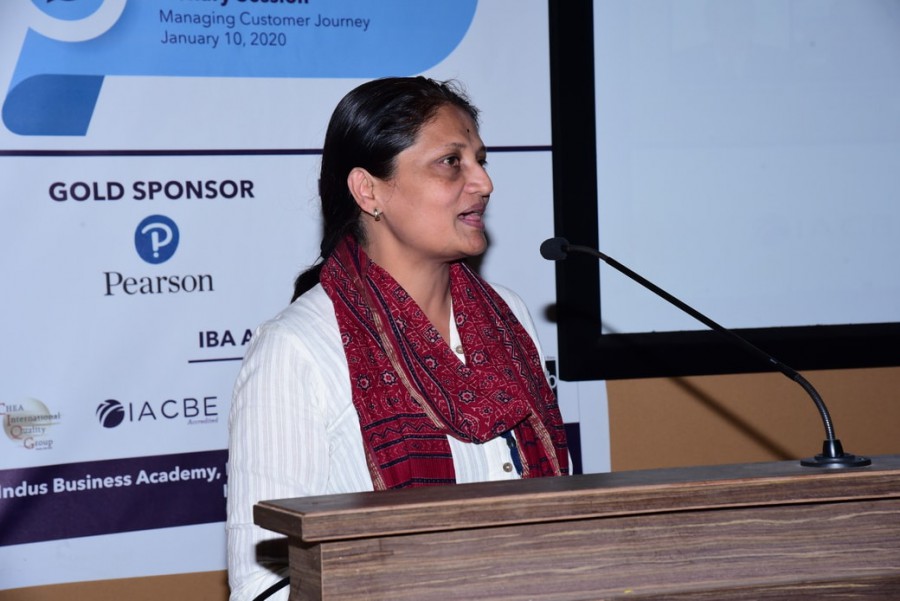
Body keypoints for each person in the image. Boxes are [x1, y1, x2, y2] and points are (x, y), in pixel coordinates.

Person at [226, 76, 569, 601]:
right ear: (369, 191)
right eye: (451, 162)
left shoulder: (509, 315)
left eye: (481, 160)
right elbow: (263, 585)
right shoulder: (297, 349)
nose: (483, 183)